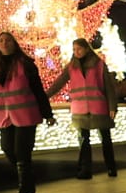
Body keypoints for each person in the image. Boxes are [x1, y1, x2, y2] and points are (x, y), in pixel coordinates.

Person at [0, 31, 55, 193]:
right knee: (8, 149)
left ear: (14, 43)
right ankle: (28, 178)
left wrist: (48, 114)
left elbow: (38, 90)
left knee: (22, 152)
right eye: (1, 41)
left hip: (26, 115)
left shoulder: (25, 64)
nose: (4, 43)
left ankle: (24, 192)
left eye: (8, 40)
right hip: (3, 116)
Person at [44, 38, 118, 179]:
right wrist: (44, 96)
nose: (76, 52)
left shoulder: (99, 65)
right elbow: (58, 83)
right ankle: (85, 170)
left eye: (79, 49)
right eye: (74, 49)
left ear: (86, 49)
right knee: (83, 140)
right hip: (80, 108)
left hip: (98, 107)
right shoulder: (72, 66)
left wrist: (112, 106)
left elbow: (109, 87)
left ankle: (111, 167)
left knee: (105, 138)